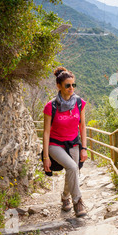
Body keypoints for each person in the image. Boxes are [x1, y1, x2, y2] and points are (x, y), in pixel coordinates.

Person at [42, 66, 88, 217]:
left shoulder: (79, 103)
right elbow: (46, 132)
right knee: (73, 168)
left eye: (73, 85)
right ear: (59, 86)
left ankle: (65, 198)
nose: (71, 88)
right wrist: (46, 157)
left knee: (73, 171)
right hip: (55, 144)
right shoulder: (51, 106)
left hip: (73, 143)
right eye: (67, 85)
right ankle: (78, 201)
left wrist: (84, 148)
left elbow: (82, 126)